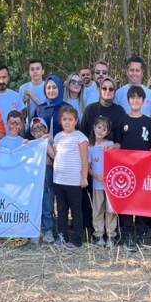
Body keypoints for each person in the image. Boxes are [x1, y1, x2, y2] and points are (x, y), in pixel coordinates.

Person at [116, 85, 151, 250]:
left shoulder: (148, 121)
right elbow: (118, 144)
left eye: (138, 98)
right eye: (132, 98)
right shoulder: (122, 120)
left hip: (143, 168)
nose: (135, 101)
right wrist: (111, 151)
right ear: (128, 101)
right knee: (127, 200)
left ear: (143, 101)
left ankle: (141, 232)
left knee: (141, 200)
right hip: (126, 169)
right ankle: (127, 233)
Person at [50, 106, 89, 249]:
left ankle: (77, 239)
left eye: (70, 119)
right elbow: (54, 156)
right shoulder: (58, 137)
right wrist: (46, 142)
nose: (67, 122)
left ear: (76, 121)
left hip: (74, 181)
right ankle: (62, 236)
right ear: (61, 121)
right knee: (61, 210)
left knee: (76, 211)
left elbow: (84, 159)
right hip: (59, 180)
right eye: (64, 119)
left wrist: (84, 177)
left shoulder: (80, 137)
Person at [88, 116, 117, 248]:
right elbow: (88, 166)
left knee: (110, 209)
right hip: (97, 184)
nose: (100, 131)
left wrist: (114, 147)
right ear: (94, 128)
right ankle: (99, 234)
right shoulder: (90, 146)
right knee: (98, 209)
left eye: (104, 129)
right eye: (99, 127)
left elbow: (117, 155)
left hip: (110, 184)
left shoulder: (110, 144)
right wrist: (95, 175)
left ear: (107, 131)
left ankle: (111, 235)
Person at [81, 77, 126, 143]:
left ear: (114, 92)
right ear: (100, 90)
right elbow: (82, 133)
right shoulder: (90, 109)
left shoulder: (120, 111)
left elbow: (122, 136)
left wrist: (117, 144)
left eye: (111, 89)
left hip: (112, 148)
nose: (107, 91)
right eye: (104, 88)